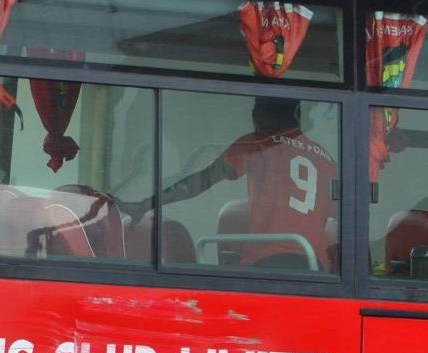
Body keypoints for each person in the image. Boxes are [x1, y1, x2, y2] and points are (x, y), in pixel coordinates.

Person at [130, 97, 337, 271]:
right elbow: (339, 217)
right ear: (297, 116)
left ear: (258, 115)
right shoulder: (326, 160)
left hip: (268, 262)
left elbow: (201, 180)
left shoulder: (258, 143)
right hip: (313, 268)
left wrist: (147, 203)